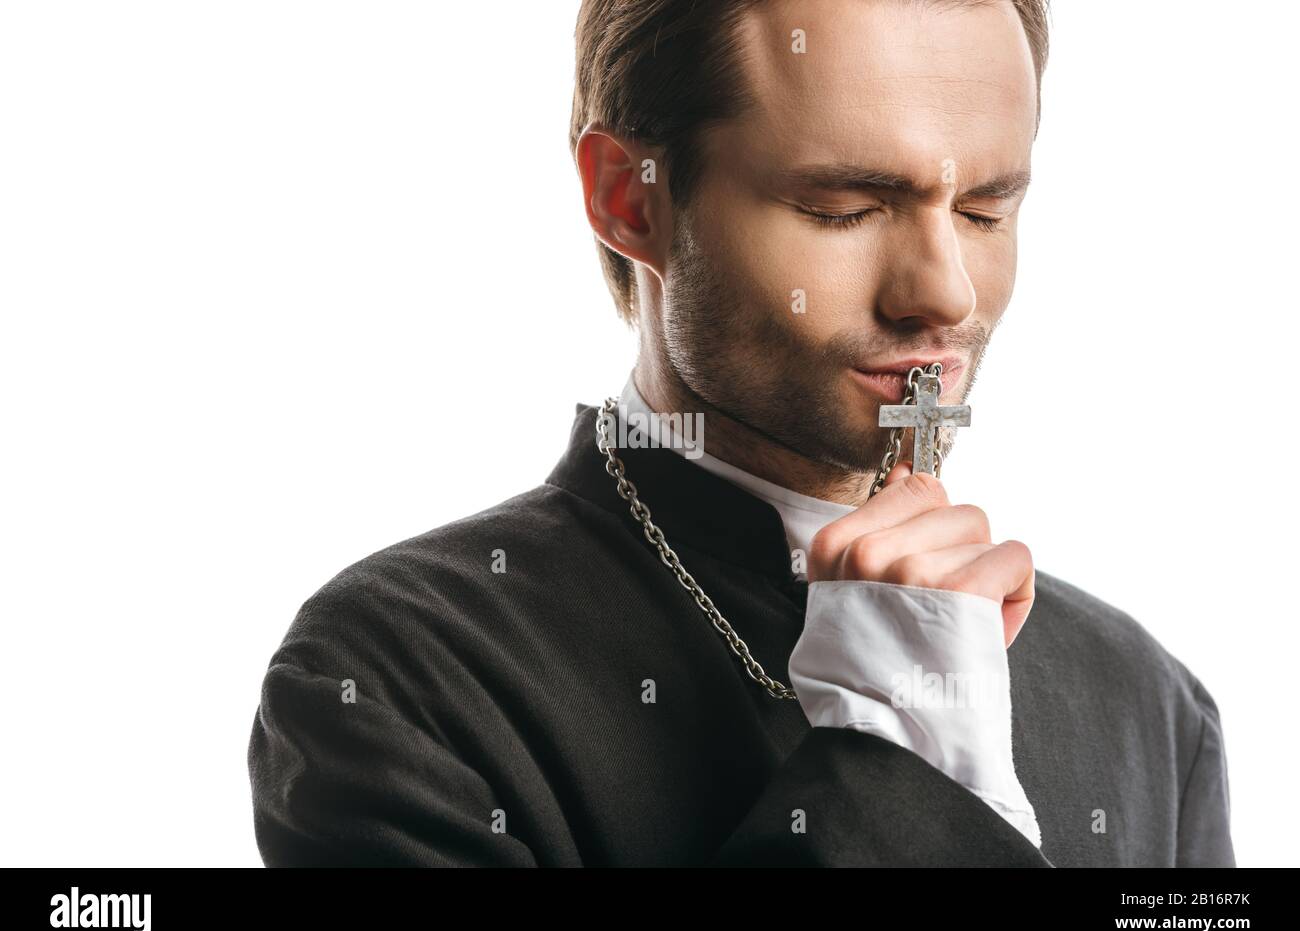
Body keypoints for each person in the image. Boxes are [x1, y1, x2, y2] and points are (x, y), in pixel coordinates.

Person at [248, 0, 1234, 866]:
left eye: (982, 210)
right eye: (844, 208)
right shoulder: (397, 678)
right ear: (628, 197)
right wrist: (900, 777)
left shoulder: (1144, 701)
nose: (945, 292)